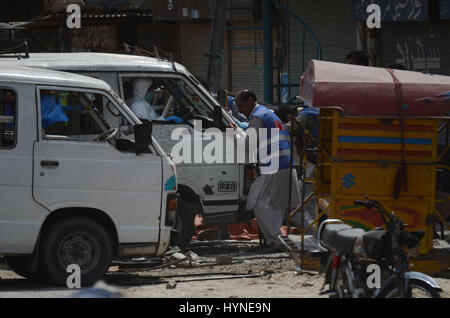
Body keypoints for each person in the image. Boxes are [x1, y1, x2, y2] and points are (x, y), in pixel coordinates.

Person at [235, 90, 305, 250]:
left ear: (251, 101)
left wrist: (234, 135)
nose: (239, 110)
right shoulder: (269, 115)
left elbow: (248, 145)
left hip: (274, 166)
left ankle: (275, 240)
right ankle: (320, 234)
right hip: (287, 165)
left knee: (259, 203)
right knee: (291, 206)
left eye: (241, 105)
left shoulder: (258, 116)